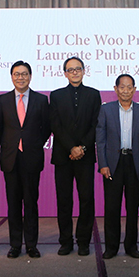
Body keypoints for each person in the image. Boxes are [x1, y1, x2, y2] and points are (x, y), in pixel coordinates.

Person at [0, 61, 51, 259]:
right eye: (17, 74)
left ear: (30, 76)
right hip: (10, 158)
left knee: (31, 203)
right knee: (13, 204)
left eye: (25, 74)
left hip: (31, 158)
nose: (21, 77)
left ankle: (31, 245)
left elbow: (46, 127)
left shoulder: (41, 100)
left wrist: (35, 144)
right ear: (11, 77)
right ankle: (15, 245)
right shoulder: (2, 100)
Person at [96, 74, 139, 259]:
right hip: (113, 163)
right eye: (122, 87)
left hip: (134, 164)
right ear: (115, 89)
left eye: (129, 87)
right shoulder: (106, 110)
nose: (126, 90)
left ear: (134, 90)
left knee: (132, 207)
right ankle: (111, 247)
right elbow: (101, 140)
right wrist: (103, 164)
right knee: (111, 208)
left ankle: (131, 246)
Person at [50, 57, 101, 257]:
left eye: (78, 69)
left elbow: (96, 125)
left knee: (86, 199)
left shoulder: (94, 95)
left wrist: (82, 147)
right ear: (65, 73)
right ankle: (65, 241)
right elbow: (55, 125)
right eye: (70, 70)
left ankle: (83, 241)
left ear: (83, 71)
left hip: (86, 156)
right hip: (63, 156)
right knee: (64, 201)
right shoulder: (56, 95)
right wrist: (71, 147)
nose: (74, 72)